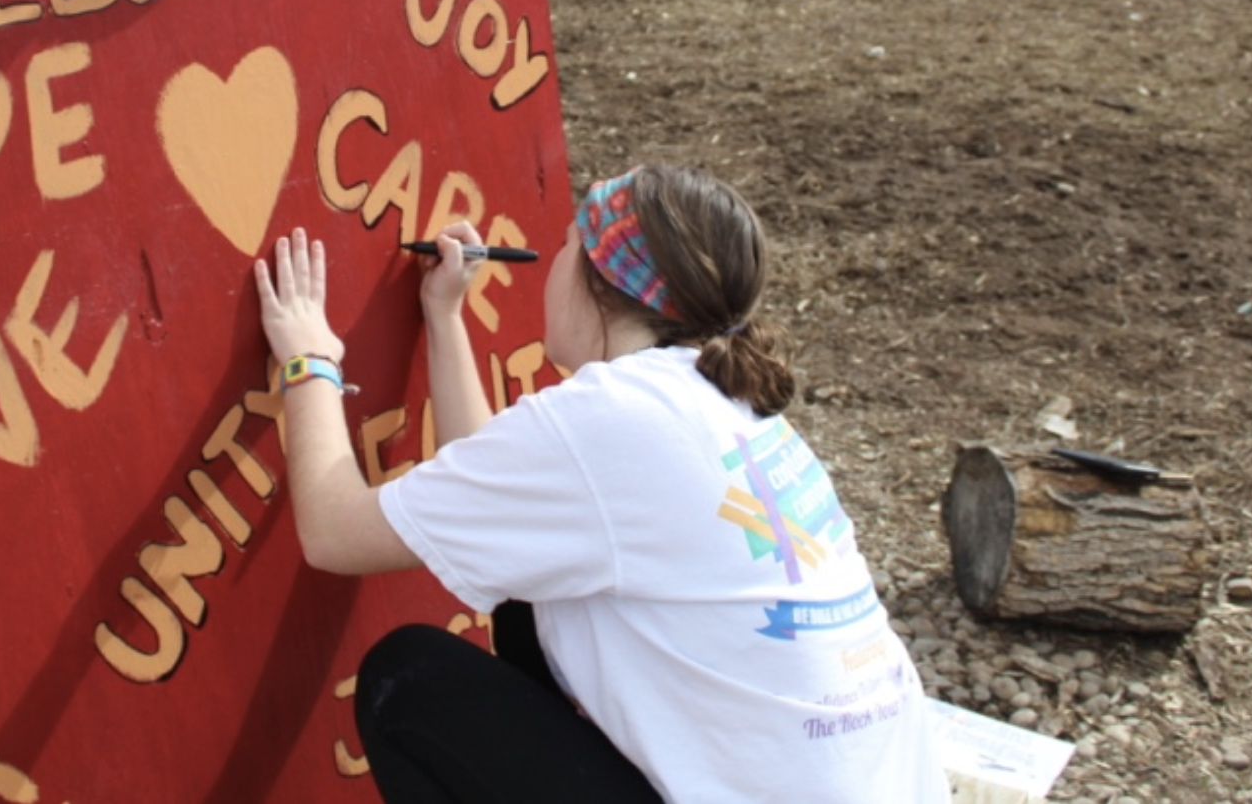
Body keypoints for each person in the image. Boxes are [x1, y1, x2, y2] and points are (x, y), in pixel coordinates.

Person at [253, 164, 950, 803]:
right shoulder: (720, 397)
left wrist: (309, 359)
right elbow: (495, 504)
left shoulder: (609, 420)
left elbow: (332, 532)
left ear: (594, 279)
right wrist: (444, 318)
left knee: (406, 680)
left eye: (562, 248)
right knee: (527, 600)